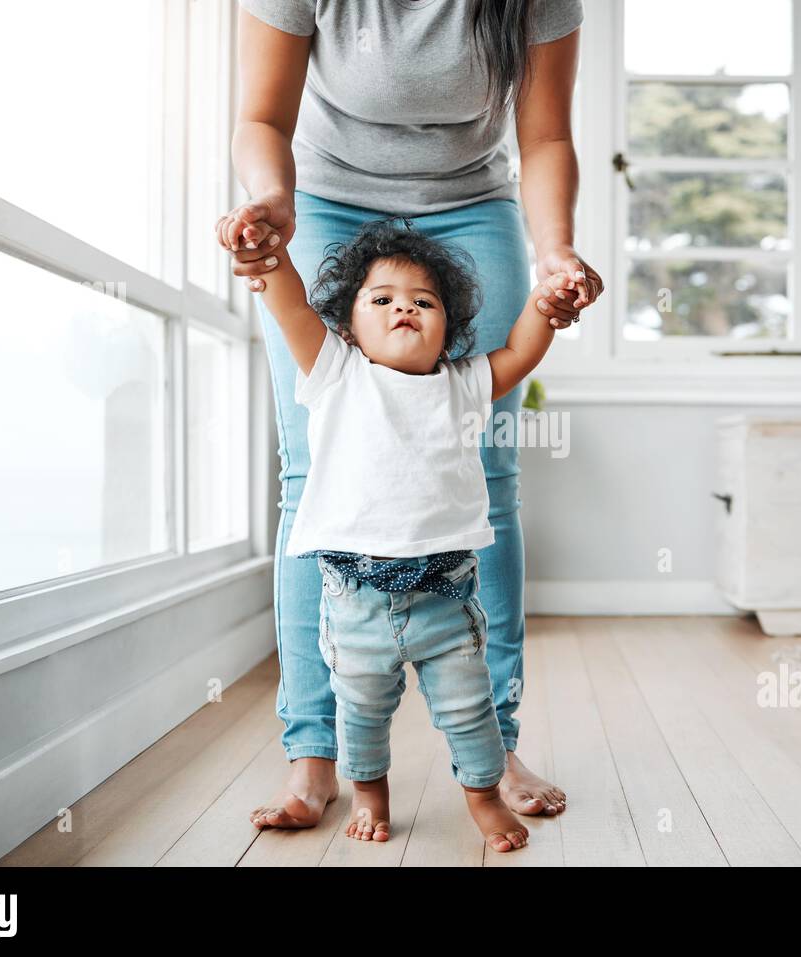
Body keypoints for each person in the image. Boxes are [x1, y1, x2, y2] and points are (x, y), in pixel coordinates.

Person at [217, 0, 604, 828]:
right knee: (314, 474)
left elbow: (544, 137)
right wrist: (270, 201)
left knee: (487, 475)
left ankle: (493, 744)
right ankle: (314, 753)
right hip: (321, 200)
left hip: (470, 206)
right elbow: (260, 114)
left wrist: (557, 249)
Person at [251, 215, 577, 850]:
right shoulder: (335, 372)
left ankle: (482, 798)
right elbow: (290, 306)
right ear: (348, 326)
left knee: (471, 714)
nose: (404, 308)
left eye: (423, 302)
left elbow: (520, 351)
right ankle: (370, 794)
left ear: (447, 330)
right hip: (354, 602)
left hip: (446, 600)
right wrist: (268, 254)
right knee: (362, 716)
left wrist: (546, 303)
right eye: (382, 300)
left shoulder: (463, 382)